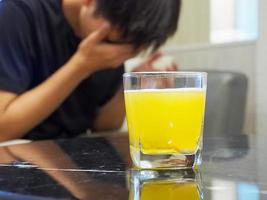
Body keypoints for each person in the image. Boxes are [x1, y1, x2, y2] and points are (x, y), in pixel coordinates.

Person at [0, 0, 181, 141]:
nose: (117, 52)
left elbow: (103, 125)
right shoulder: (19, 15)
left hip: (73, 159)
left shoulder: (116, 34)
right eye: (111, 41)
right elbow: (3, 129)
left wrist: (134, 84)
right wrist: (81, 66)